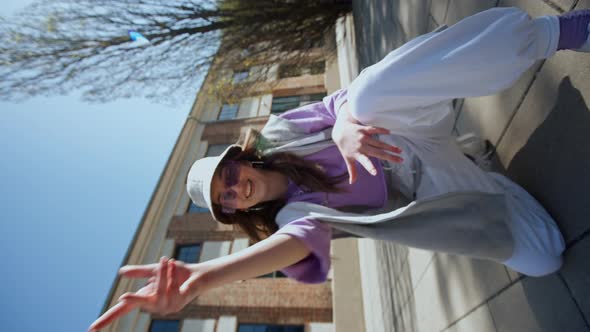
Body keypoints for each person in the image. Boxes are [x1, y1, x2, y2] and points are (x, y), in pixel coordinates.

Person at [89, 6, 590, 331]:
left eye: (225, 177)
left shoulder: (278, 135)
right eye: (227, 201)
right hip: (432, 182)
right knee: (545, 257)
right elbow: (294, 246)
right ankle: (480, 171)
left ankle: (562, 30)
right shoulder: (290, 218)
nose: (232, 191)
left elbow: (341, 101)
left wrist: (345, 125)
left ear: (237, 160)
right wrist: (202, 278)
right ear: (239, 209)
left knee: (370, 92)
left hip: (406, 129)